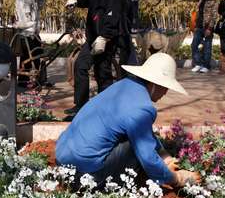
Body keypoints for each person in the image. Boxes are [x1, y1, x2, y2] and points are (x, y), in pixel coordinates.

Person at [56, 53, 201, 190]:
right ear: (154, 83)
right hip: (84, 176)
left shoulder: (125, 85)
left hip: (62, 163)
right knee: (136, 147)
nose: (166, 92)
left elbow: (143, 131)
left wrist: (165, 157)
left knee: (136, 135)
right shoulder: (142, 108)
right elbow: (148, 157)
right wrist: (177, 178)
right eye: (165, 87)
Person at [64, 0, 128, 119]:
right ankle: (81, 106)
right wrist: (77, 1)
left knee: (103, 74)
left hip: (105, 39)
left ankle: (107, 111)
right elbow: (94, 1)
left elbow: (114, 12)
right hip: (94, 37)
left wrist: (105, 37)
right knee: (81, 66)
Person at [14, 0, 50, 87]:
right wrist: (33, 25)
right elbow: (24, 16)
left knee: (37, 55)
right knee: (29, 57)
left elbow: (40, 7)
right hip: (26, 32)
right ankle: (24, 81)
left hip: (33, 31)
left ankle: (38, 79)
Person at [191, 0, 217, 73]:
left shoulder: (213, 1)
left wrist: (210, 28)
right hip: (198, 26)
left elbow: (214, 16)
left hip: (207, 27)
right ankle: (198, 64)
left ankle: (206, 66)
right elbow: (197, 12)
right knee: (194, 45)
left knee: (207, 47)